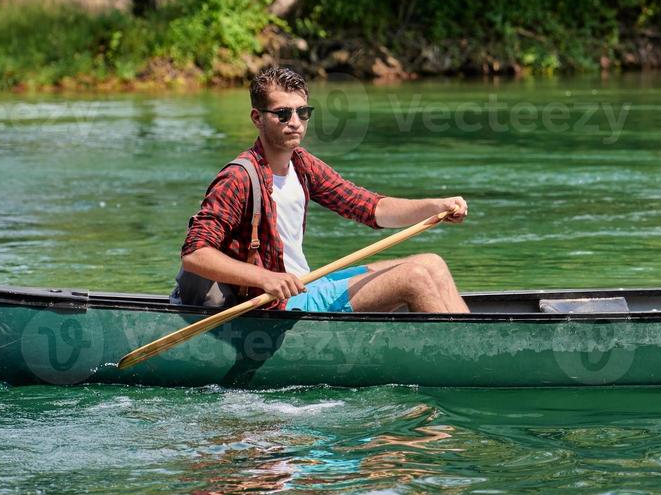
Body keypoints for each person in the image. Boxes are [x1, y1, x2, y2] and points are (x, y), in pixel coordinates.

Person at [179, 65, 471, 314]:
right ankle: (464, 362)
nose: (295, 122)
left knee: (432, 263)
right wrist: (264, 278)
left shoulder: (303, 165)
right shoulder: (239, 178)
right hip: (275, 304)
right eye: (282, 114)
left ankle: (474, 344)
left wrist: (436, 206)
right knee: (414, 277)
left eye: (302, 112)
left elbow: (371, 208)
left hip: (306, 285)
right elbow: (195, 253)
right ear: (257, 118)